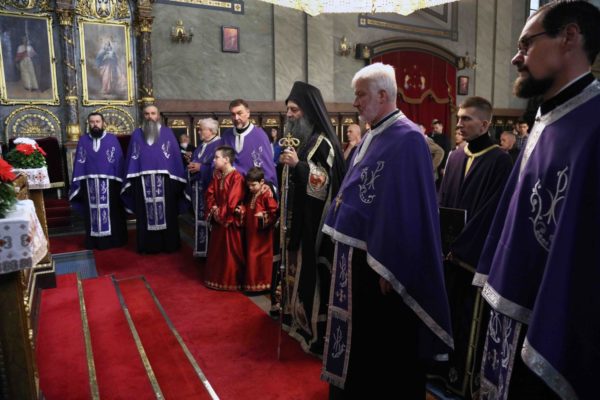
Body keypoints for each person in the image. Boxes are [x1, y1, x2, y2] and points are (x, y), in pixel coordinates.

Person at [474, 2, 600, 399]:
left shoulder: (593, 123)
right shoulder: (549, 119)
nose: (516, 58)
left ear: (569, 37)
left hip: (561, 327)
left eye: (526, 44)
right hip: (517, 316)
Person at [321, 63, 453, 398]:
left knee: (385, 350)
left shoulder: (408, 138)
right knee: (361, 345)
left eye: (360, 95)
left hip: (383, 268)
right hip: (359, 261)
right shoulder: (372, 135)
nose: (355, 102)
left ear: (383, 95)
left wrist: (395, 268)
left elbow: (412, 211)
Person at [433, 97, 512, 398]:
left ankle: (464, 382)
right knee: (449, 316)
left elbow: (493, 212)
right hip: (449, 255)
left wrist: (461, 246)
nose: (460, 124)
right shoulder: (455, 156)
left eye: (467, 119)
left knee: (469, 322)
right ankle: (441, 372)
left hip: (474, 258)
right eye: (459, 118)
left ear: (485, 124)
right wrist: (442, 239)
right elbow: (443, 201)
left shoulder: (500, 161)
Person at [279, 81, 346, 355]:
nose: (289, 115)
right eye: (288, 110)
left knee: (312, 271)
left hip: (316, 222)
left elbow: (326, 183)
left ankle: (314, 327)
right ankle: (295, 316)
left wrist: (299, 166)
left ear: (308, 111)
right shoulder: (300, 139)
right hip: (297, 217)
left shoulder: (323, 142)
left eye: (294, 110)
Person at [122, 105, 188, 254]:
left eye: (153, 113)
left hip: (165, 182)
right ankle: (148, 246)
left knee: (168, 212)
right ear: (143, 116)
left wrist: (176, 180)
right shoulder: (137, 134)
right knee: (145, 214)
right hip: (142, 182)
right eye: (147, 114)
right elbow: (132, 158)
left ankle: (169, 244)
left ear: (158, 116)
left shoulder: (167, 132)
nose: (150, 117)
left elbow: (175, 158)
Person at [69, 112, 128, 250]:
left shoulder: (112, 139)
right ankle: (94, 241)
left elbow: (118, 162)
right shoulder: (83, 140)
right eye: (92, 122)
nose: (95, 124)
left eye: (97, 121)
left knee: (113, 211)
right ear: (88, 124)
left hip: (111, 183)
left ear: (103, 123)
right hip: (89, 184)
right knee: (92, 212)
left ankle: (114, 240)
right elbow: (80, 162)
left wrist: (120, 181)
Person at [204, 146, 245, 291]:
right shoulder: (218, 176)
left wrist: (220, 214)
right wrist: (214, 208)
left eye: (217, 157)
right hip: (218, 221)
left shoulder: (236, 177)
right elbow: (209, 194)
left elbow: (232, 202)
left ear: (226, 159)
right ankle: (215, 280)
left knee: (230, 253)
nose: (214, 160)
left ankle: (230, 282)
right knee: (217, 252)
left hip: (229, 223)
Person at [221, 99, 277, 186]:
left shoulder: (260, 135)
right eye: (233, 114)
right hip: (231, 187)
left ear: (248, 113)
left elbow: (267, 167)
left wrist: (268, 184)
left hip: (252, 187)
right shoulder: (226, 135)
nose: (236, 118)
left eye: (239, 113)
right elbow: (218, 161)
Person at [187, 118, 221, 257]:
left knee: (210, 219)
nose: (199, 132)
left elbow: (220, 168)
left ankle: (211, 252)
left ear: (211, 131)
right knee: (199, 219)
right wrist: (191, 163)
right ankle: (202, 250)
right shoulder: (201, 146)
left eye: (201, 129)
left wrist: (201, 168)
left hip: (210, 190)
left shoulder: (220, 144)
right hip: (198, 188)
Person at [241, 167, 278, 292]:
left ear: (262, 182)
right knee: (251, 256)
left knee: (259, 258)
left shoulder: (266, 193)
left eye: (253, 185)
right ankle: (252, 284)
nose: (250, 188)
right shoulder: (252, 194)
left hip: (262, 235)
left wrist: (264, 216)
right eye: (249, 185)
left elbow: (274, 212)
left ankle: (262, 284)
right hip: (251, 233)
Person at [429, 118, 451, 185]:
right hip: (432, 163)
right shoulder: (430, 136)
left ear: (441, 127)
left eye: (436, 128)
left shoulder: (445, 138)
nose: (435, 129)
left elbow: (447, 152)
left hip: (441, 164)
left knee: (439, 184)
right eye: (434, 128)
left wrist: (444, 167)